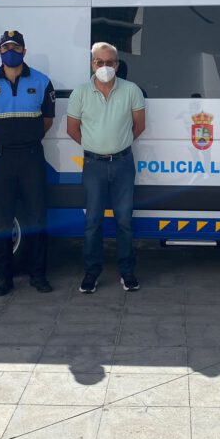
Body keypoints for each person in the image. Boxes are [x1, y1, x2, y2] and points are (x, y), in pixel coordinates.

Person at [0, 30, 56, 296]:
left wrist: (27, 137)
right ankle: (3, 278)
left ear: (24, 51)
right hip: (2, 158)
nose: (11, 52)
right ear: (0, 51)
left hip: (31, 156)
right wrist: (3, 138)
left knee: (37, 217)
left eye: (16, 47)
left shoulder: (41, 81)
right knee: (2, 220)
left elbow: (47, 120)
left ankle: (38, 275)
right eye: (6, 47)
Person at [66, 42, 145, 293]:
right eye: (99, 62)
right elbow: (72, 129)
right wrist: (95, 146)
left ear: (117, 65)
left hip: (123, 163)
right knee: (92, 222)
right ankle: (91, 272)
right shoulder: (80, 93)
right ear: (92, 64)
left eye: (109, 62)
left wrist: (117, 145)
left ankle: (127, 271)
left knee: (124, 221)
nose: (104, 66)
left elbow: (139, 126)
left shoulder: (131, 90)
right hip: (94, 165)